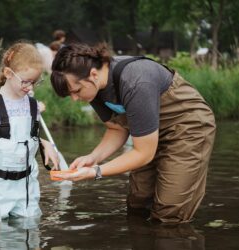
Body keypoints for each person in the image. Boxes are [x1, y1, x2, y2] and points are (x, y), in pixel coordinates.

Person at [50, 43, 216, 224]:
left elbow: (143, 153)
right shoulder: (93, 88)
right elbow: (117, 128)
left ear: (93, 75)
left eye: (76, 91)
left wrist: (95, 172)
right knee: (139, 201)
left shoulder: (135, 81)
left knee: (169, 212)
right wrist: (93, 157)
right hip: (147, 134)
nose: (75, 99)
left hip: (187, 128)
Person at [0, 42, 59, 219]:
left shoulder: (32, 105)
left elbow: (27, 138)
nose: (30, 88)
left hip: (27, 186)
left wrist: (44, 143)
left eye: (35, 82)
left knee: (30, 230)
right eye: (26, 82)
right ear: (9, 73)